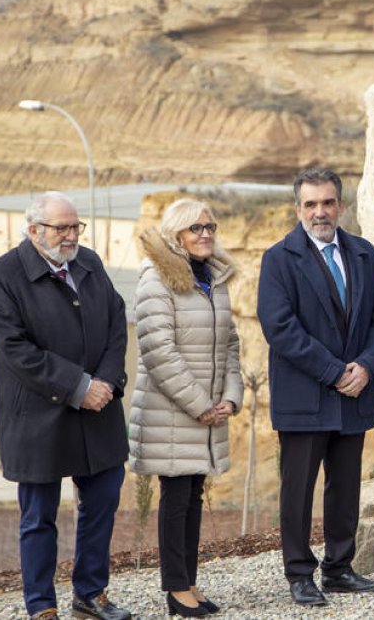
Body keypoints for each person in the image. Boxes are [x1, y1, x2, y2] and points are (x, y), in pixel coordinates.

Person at [0, 191, 132, 620]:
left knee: (102, 501)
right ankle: (42, 607)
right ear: (33, 231)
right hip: (37, 416)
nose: (70, 236)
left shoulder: (90, 264)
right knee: (39, 517)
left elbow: (116, 322)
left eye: (74, 227)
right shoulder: (2, 277)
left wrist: (104, 382)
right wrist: (77, 386)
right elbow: (15, 350)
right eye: (60, 228)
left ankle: (90, 594)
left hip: (98, 410)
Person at [257, 168, 374, 605]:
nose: (321, 212)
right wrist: (335, 372)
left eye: (328, 202)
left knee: (346, 487)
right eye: (311, 204)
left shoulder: (363, 254)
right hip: (305, 396)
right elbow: (280, 328)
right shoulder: (279, 259)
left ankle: (339, 568)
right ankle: (299, 573)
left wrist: (368, 367)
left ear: (341, 205)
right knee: (298, 491)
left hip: (354, 394)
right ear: (298, 209)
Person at [129, 199, 242, 616]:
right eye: (196, 228)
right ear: (177, 235)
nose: (206, 234)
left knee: (194, 496)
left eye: (210, 226)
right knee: (176, 499)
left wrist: (230, 395)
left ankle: (189, 582)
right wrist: (200, 405)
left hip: (208, 410)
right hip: (173, 413)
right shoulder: (156, 279)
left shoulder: (214, 276)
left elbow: (230, 342)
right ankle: (175, 590)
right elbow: (159, 351)